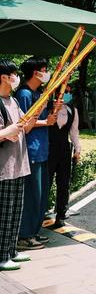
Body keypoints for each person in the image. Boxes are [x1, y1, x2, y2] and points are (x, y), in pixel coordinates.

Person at [16, 57, 57, 250]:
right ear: (35, 72)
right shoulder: (24, 94)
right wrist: (45, 122)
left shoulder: (40, 93)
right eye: (44, 69)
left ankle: (34, 231)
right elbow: (24, 124)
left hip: (42, 150)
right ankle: (25, 235)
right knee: (33, 194)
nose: (46, 73)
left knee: (41, 194)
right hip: (31, 151)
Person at [0, 60, 37, 270]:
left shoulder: (13, 101)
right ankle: (2, 255)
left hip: (19, 166)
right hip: (4, 168)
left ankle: (11, 250)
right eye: (13, 74)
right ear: (4, 77)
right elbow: (6, 132)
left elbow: (25, 127)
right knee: (4, 214)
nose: (16, 78)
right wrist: (9, 132)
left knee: (15, 212)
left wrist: (36, 113)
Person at [48, 85, 81, 228]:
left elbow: (74, 132)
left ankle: (61, 214)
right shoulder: (47, 107)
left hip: (64, 150)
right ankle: (40, 212)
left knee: (63, 183)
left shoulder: (73, 111)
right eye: (64, 91)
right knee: (46, 183)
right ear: (56, 92)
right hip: (48, 149)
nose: (67, 94)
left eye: (69, 91)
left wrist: (78, 149)